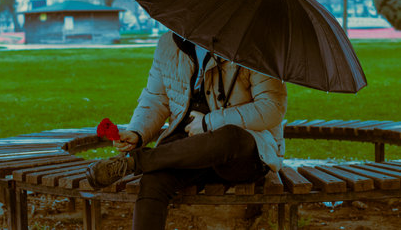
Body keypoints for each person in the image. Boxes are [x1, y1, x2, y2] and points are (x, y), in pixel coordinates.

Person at [86, 31, 287, 230]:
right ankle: (138, 163)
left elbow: (272, 108)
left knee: (229, 136)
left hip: (244, 153)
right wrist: (137, 132)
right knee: (153, 181)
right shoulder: (169, 43)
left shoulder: (254, 46)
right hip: (185, 149)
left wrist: (209, 122)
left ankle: (135, 162)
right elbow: (156, 98)